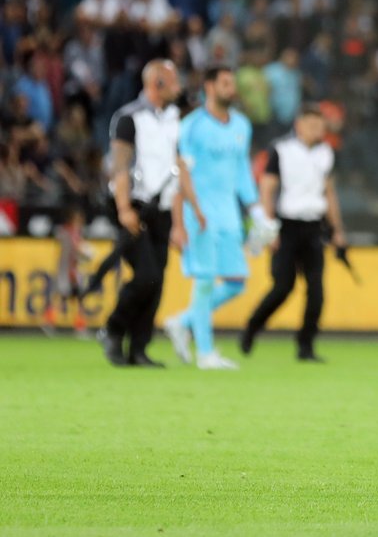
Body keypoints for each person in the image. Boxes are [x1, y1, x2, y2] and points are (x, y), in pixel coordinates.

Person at [164, 66, 276, 370]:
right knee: (204, 280)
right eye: (226, 83)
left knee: (236, 281)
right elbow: (181, 172)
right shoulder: (192, 125)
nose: (232, 89)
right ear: (209, 87)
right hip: (199, 212)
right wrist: (185, 215)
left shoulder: (241, 124)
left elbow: (242, 171)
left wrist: (256, 211)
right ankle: (206, 353)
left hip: (229, 213)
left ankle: (181, 322)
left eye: (233, 83)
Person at [97, 60, 190, 367]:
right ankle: (113, 328)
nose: (178, 85)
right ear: (157, 83)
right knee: (146, 274)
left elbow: (176, 172)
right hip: (135, 205)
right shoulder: (129, 117)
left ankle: (139, 347)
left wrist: (178, 222)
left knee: (157, 280)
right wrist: (123, 208)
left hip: (163, 208)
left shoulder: (175, 119)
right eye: (172, 79)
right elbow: (120, 166)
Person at [240, 105, 344, 361]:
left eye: (320, 125)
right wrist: (269, 227)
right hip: (286, 226)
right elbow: (267, 188)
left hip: (313, 227)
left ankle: (305, 346)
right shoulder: (282, 150)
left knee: (316, 291)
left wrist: (337, 229)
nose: (317, 129)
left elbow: (328, 192)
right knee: (283, 287)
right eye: (312, 124)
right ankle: (252, 327)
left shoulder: (326, 153)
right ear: (299, 125)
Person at [41, 205, 94, 337]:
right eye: (78, 219)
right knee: (62, 298)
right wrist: (86, 253)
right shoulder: (68, 233)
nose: (81, 221)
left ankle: (79, 327)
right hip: (67, 272)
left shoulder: (73, 233)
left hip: (73, 272)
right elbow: (75, 251)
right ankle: (49, 323)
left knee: (77, 298)